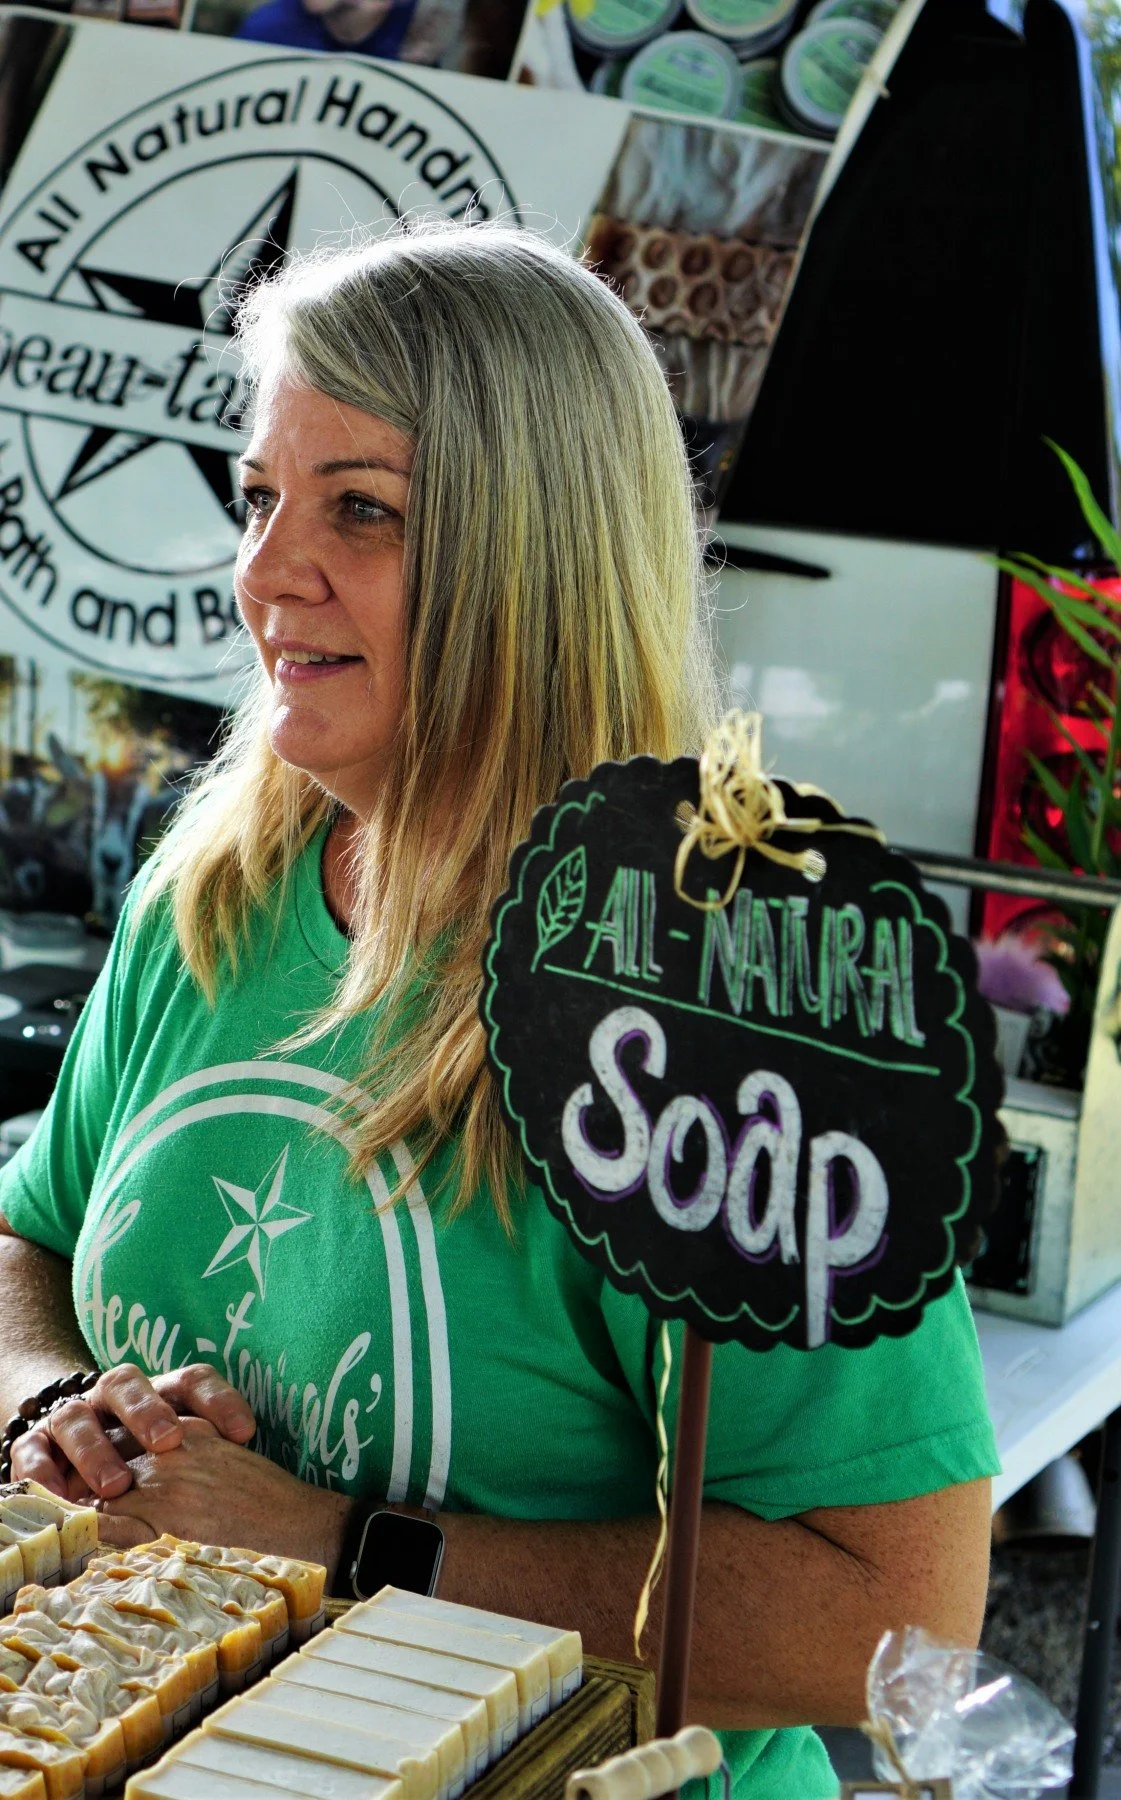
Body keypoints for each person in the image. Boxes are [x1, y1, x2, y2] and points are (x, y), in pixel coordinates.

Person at [0, 224, 998, 1800]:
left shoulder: (727, 1009)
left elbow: (898, 1614)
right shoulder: (217, 886)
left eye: (365, 512)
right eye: (262, 497)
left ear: (539, 553)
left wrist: (344, 1545)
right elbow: (28, 1246)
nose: (266, 572)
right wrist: (66, 1409)